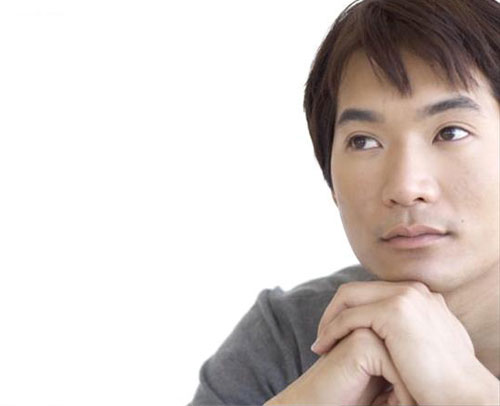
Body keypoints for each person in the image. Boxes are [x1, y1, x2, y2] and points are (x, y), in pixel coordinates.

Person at [188, 0, 500, 404]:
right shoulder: (289, 340)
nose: (406, 187)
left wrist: (467, 394)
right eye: (363, 141)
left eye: (451, 132)